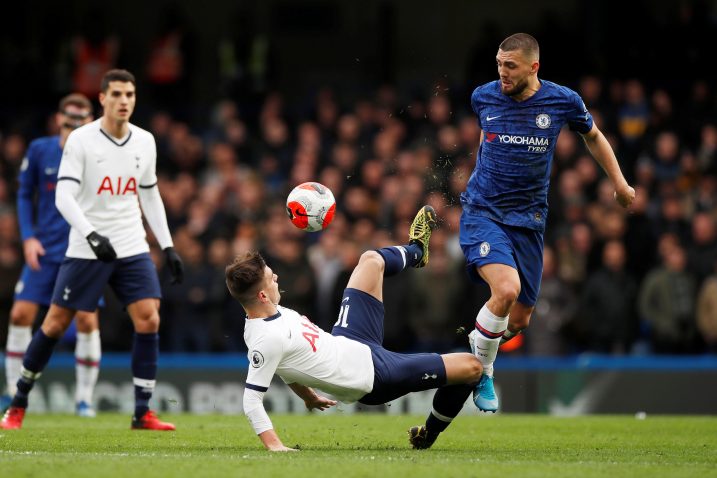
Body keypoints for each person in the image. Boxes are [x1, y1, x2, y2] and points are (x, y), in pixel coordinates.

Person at [1, 69, 184, 431]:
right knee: (55, 323)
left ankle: (142, 411)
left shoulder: (145, 140)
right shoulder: (81, 140)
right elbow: (64, 195)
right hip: (87, 247)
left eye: (130, 94)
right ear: (102, 98)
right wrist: (90, 233)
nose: (124, 101)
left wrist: (167, 244)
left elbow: (149, 193)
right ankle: (18, 403)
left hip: (131, 242)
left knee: (149, 317)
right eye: (116, 94)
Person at [461, 33, 635, 412]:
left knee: (520, 320)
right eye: (498, 64)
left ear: (534, 67)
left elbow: (594, 137)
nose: (502, 73)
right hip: (484, 213)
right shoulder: (483, 96)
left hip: (529, 221)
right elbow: (485, 136)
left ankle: (480, 340)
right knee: (505, 290)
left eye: (511, 66)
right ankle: (483, 369)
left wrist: (620, 185)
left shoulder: (562, 101)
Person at [226, 206, 483, 451]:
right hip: (374, 375)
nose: (276, 278)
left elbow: (285, 363)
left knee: (370, 260)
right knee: (473, 368)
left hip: (351, 339)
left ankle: (416, 251)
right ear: (262, 296)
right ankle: (429, 432)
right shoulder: (265, 339)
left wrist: (307, 396)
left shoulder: (274, 314)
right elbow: (251, 401)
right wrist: (274, 445)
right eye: (272, 278)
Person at [2, 94, 102, 417]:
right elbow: (23, 194)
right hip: (44, 250)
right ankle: (12, 392)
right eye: (69, 118)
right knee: (19, 315)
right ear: (58, 119)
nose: (74, 124)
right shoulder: (40, 150)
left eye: (81, 119)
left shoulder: (99, 153)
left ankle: (84, 399)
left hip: (83, 249)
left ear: (90, 120)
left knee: (87, 320)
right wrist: (28, 238)